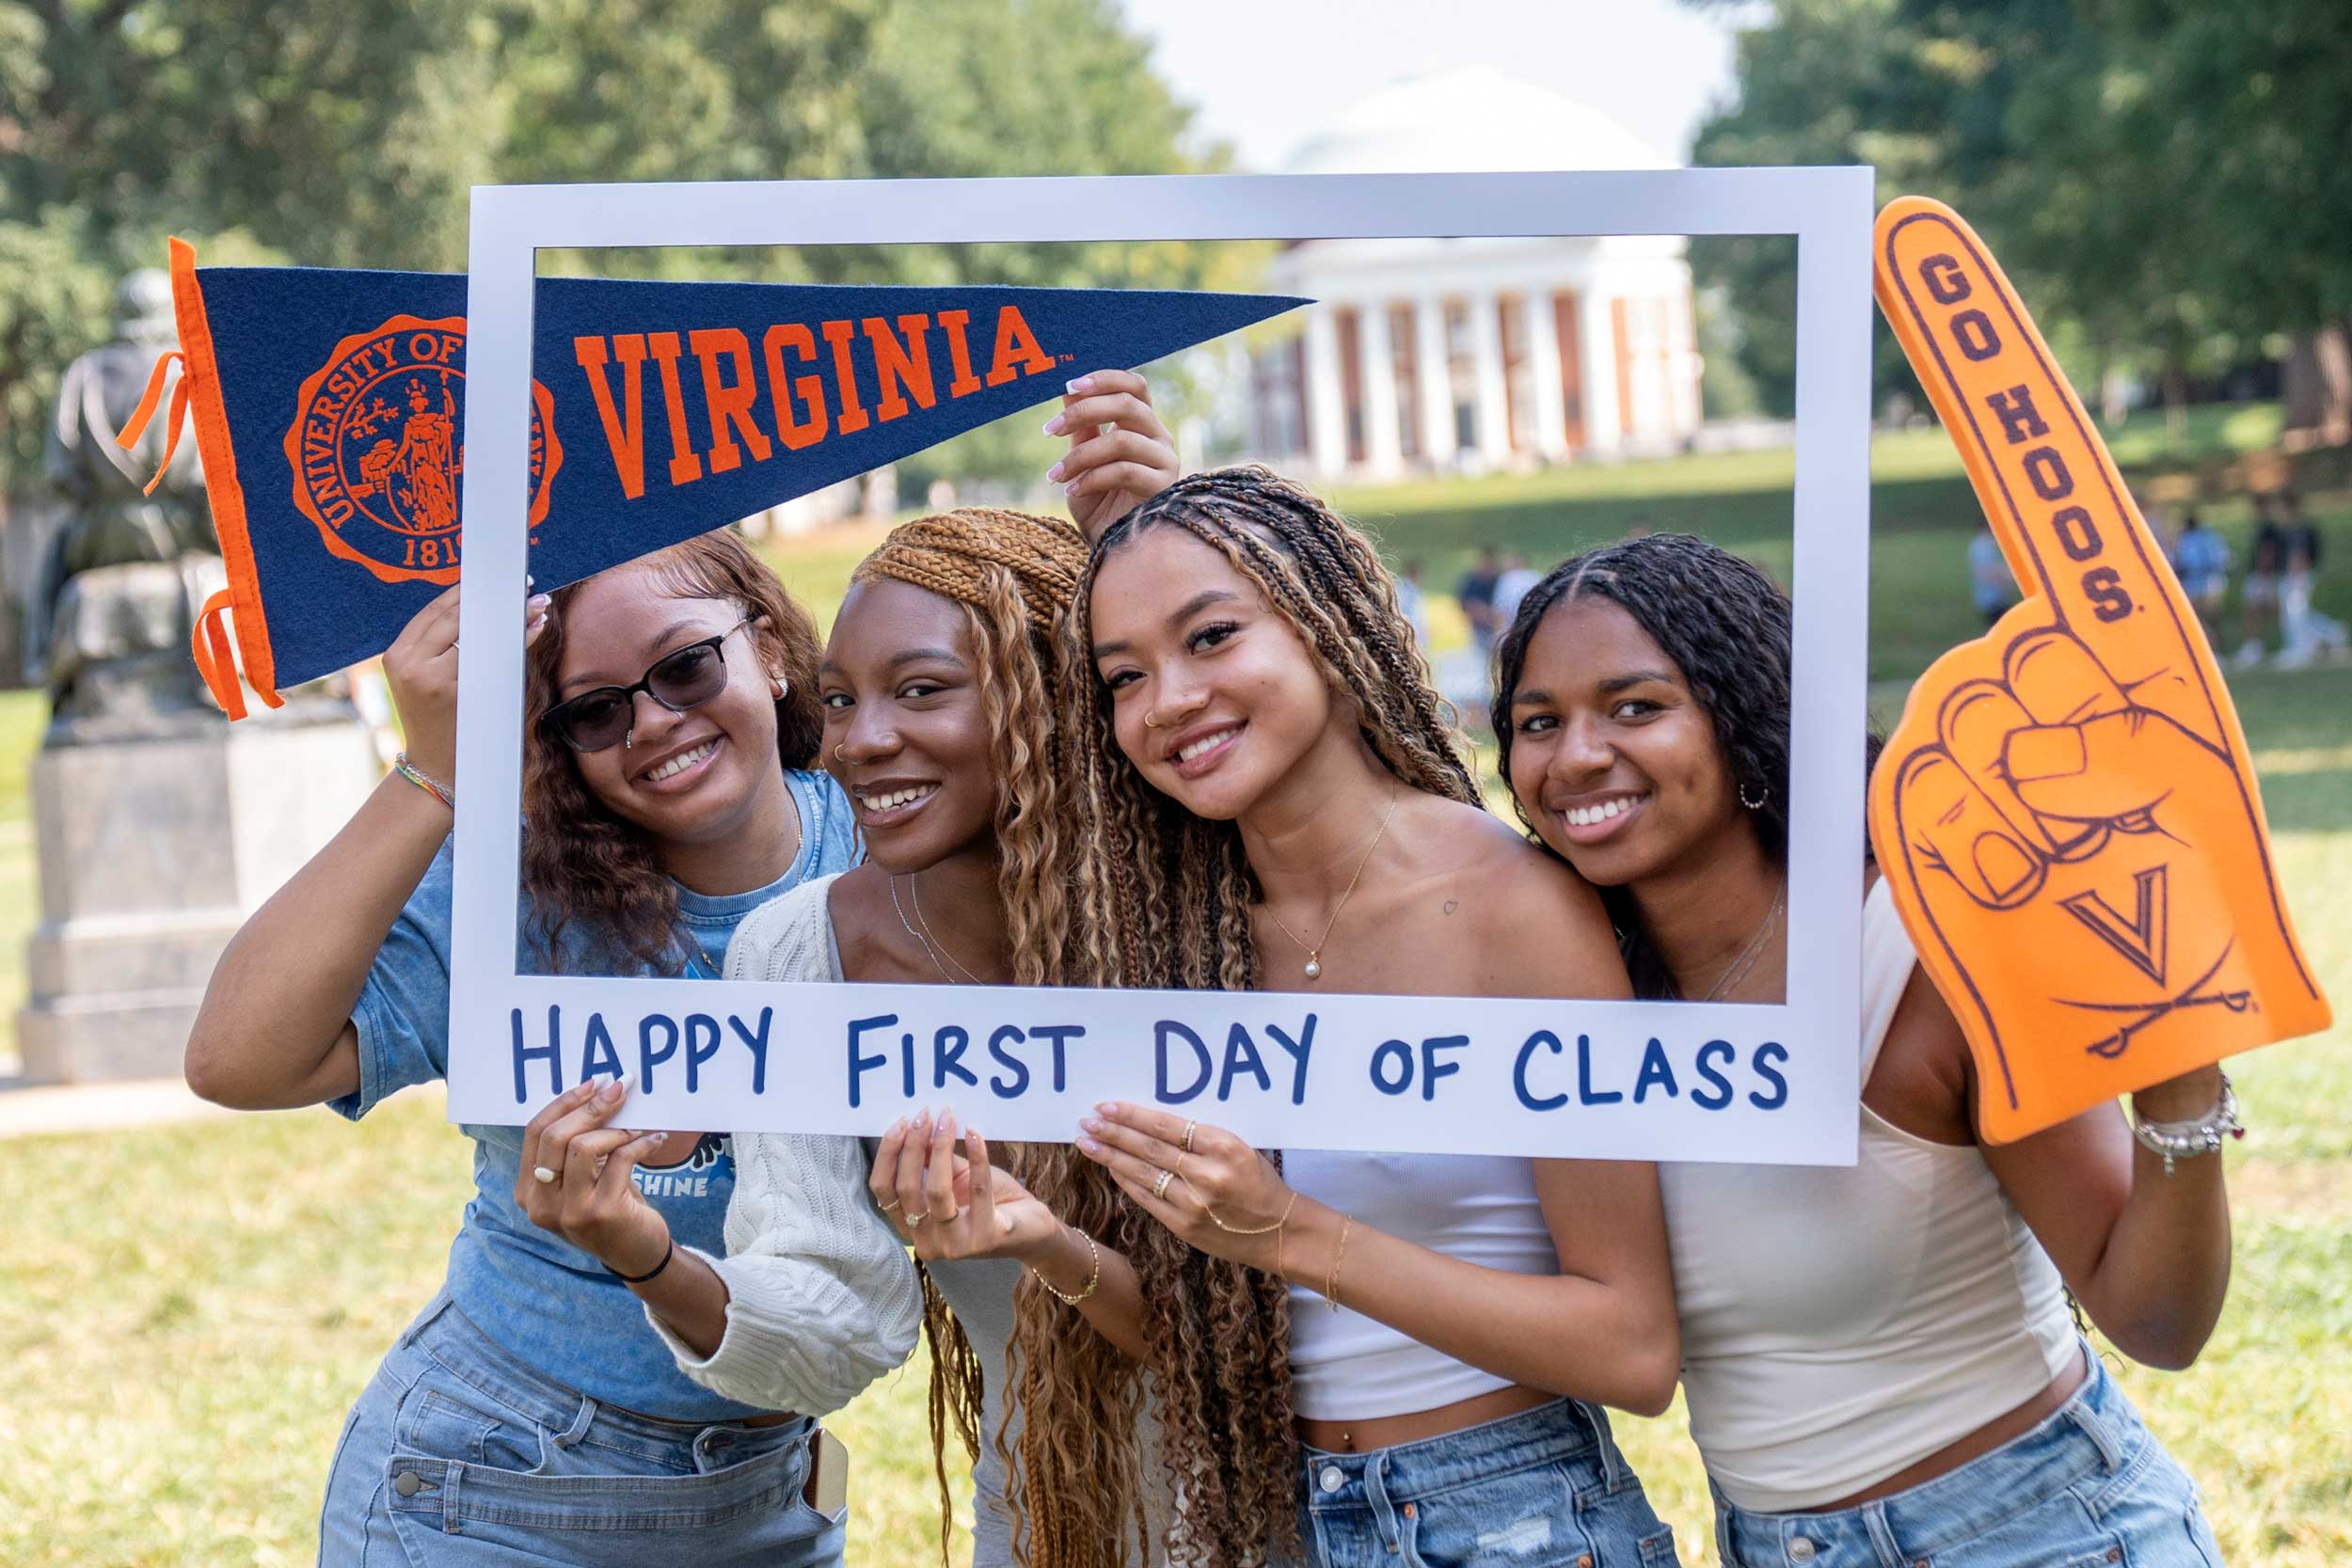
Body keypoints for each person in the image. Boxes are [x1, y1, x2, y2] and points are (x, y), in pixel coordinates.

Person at [914, 467, 1682, 1568]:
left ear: (1324, 626)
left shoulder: (1514, 905)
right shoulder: (1184, 951)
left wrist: (1288, 1229)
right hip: (1293, 1521)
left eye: (1213, 636)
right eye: (1124, 675)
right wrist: (1040, 1236)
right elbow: (1214, 1342)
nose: (1168, 698)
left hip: (1511, 1516)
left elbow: (1633, 1344)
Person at [1495, 531, 2233, 1568]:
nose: (1575, 755)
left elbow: (2155, 1318)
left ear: (1742, 716)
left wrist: (2179, 1102)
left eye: (1635, 707)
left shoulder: (1919, 946)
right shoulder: (1571, 992)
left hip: (2032, 1531)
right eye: (1540, 722)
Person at [184, 529, 905, 1566]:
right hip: (495, 1481)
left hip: (766, 1498)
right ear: (551, 738)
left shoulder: (888, 853)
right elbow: (236, 1057)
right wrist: (434, 767)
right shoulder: (523, 893)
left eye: (687, 665)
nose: (655, 722)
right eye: (595, 710)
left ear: (772, 649)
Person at [2272, 489, 2346, 669]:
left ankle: (2300, 649)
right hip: (2291, 574)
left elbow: (2300, 555)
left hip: (2298, 575)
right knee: (2298, 612)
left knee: (2294, 612)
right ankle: (2333, 632)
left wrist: (2295, 576)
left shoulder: (2299, 528)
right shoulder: (2290, 528)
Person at [2235, 494, 2286, 668]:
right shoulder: (2263, 527)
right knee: (2262, 611)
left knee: (2257, 611)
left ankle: (2255, 646)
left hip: (2262, 575)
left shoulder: (2268, 528)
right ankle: (2255, 645)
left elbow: (2267, 552)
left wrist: (2263, 573)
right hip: (2261, 575)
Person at [2170, 508, 2231, 647]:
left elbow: (2183, 563)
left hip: (2200, 584)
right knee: (2207, 619)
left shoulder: (2190, 539)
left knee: (2204, 619)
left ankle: (2213, 647)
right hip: (2204, 584)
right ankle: (2213, 647)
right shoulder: (2207, 537)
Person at [1454, 543, 1502, 657]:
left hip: (1495, 625)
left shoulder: (1498, 579)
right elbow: (1465, 603)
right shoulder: (1472, 580)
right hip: (1478, 626)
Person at [1967, 516, 2017, 628]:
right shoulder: (1982, 547)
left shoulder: (1986, 544)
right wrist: (2008, 576)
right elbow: (1984, 572)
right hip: (1992, 599)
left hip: (1996, 598)